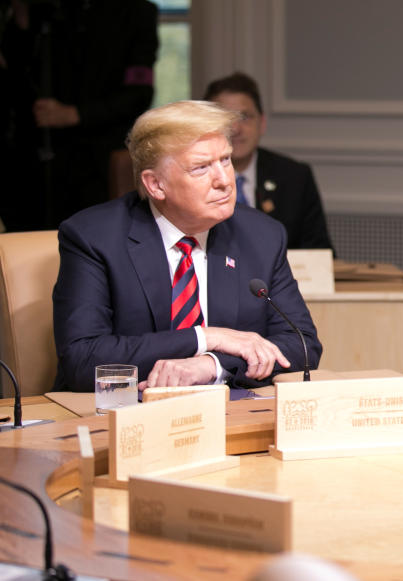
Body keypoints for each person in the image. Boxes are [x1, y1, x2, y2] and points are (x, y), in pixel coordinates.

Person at [52, 100, 322, 393]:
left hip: (226, 414)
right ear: (155, 184)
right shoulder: (94, 237)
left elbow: (302, 345)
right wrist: (205, 338)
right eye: (201, 168)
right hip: (122, 416)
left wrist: (212, 364)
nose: (224, 181)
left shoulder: (261, 235)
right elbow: (82, 359)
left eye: (226, 160)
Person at [0, 0, 158, 231]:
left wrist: (76, 115)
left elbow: (139, 94)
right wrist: (22, 18)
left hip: (99, 157)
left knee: (94, 233)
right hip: (37, 156)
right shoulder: (48, 9)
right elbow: (17, 74)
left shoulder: (136, 11)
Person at [202, 72, 335, 251]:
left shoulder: (295, 177)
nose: (235, 128)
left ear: (262, 123)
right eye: (225, 119)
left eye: (244, 117)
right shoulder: (194, 179)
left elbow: (319, 253)